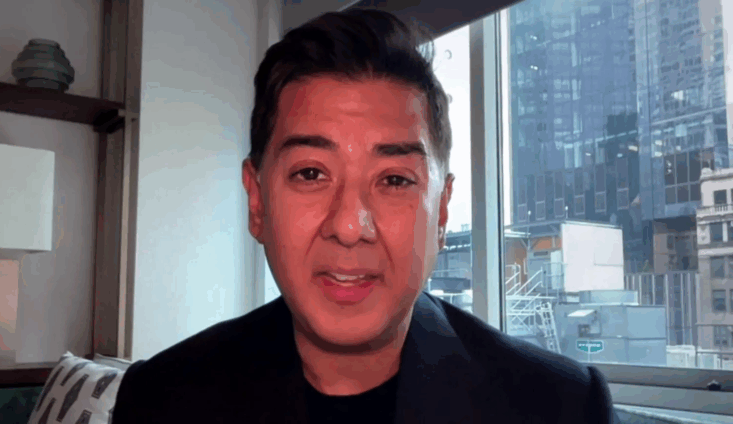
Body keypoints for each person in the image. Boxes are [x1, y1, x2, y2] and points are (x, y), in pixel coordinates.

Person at [112, 9, 617, 424]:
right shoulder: (160, 400)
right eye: (311, 173)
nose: (350, 227)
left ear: (442, 211)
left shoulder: (563, 407)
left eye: (394, 180)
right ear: (257, 201)